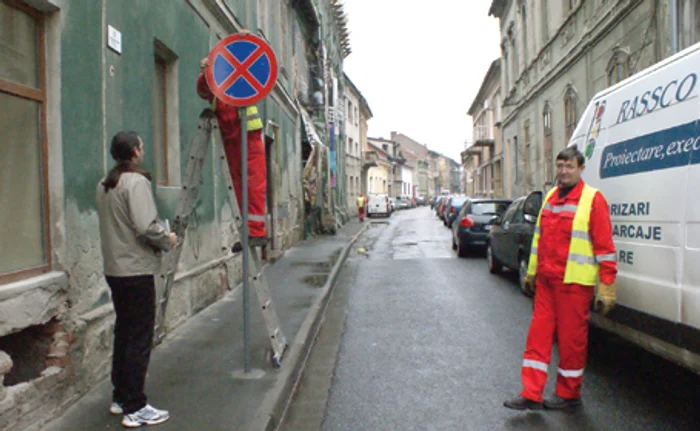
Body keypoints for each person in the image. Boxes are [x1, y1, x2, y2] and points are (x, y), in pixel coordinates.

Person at [504, 146, 617, 411]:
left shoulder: (593, 200)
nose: (563, 172)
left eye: (569, 166)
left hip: (574, 285)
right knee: (537, 338)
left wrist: (608, 287)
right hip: (547, 282)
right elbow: (538, 241)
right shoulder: (552, 197)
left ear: (580, 168)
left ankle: (569, 394)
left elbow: (605, 247)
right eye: (560, 166)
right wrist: (532, 272)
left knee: (571, 342)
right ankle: (531, 393)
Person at [96, 131, 176, 428]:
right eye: (141, 146)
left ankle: (120, 397)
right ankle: (136, 406)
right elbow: (145, 226)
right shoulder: (136, 182)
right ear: (133, 152)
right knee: (139, 339)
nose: (143, 150)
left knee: (124, 333)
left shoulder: (105, 185)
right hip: (136, 270)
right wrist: (166, 239)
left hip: (114, 269)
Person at [197, 44, 267, 253]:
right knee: (237, 185)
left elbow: (259, 65)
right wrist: (205, 72)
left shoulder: (243, 73)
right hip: (229, 136)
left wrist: (248, 40)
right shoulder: (215, 79)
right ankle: (246, 232)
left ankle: (256, 232)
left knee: (253, 184)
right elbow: (202, 90)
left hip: (249, 133)